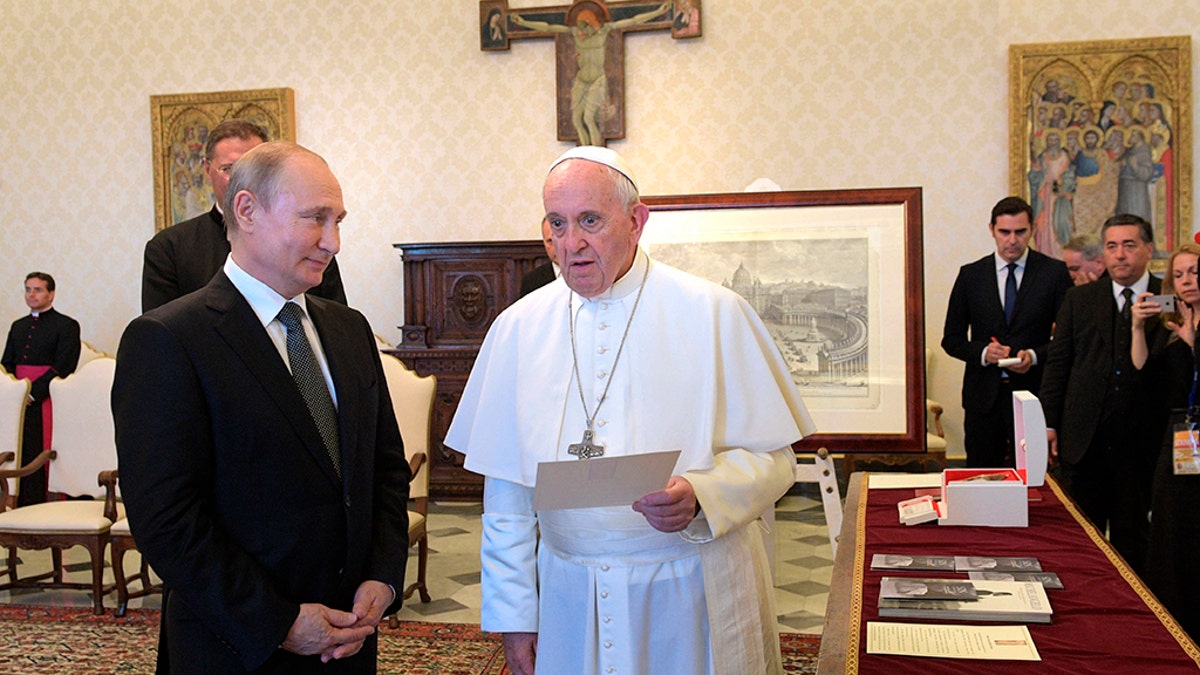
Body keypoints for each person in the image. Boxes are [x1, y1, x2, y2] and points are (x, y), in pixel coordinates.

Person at [445, 146, 814, 675]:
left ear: (637, 221)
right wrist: (515, 617)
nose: (571, 244)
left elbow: (775, 460)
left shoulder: (713, 313)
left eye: (590, 221)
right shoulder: (518, 328)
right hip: (569, 593)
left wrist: (703, 496)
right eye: (557, 223)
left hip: (689, 587)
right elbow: (505, 497)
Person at [113, 142, 411, 673]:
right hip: (234, 647)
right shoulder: (167, 338)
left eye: (338, 220)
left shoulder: (349, 329)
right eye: (315, 219)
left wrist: (383, 577)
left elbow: (384, 469)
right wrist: (277, 621)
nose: (334, 241)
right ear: (246, 210)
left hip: (349, 641)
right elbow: (167, 519)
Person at [1040, 214, 1161, 576]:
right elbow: (1058, 365)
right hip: (1085, 437)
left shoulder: (1167, 295)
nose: (1120, 255)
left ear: (1148, 249)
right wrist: (1047, 424)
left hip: (1142, 440)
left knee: (1133, 537)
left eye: (1129, 245)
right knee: (1081, 538)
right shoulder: (1079, 299)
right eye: (1112, 246)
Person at [141, 119, 347, 313]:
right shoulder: (170, 247)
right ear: (207, 169)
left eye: (256, 169)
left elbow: (332, 320)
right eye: (230, 169)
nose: (245, 179)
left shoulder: (312, 246)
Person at [942, 197, 1072, 468]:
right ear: (992, 229)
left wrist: (1034, 356)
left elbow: (1069, 338)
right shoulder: (971, 275)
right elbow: (951, 340)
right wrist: (982, 352)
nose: (1012, 240)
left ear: (1032, 230)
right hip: (983, 398)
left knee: (1034, 476)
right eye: (1004, 232)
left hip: (1034, 394)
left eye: (1020, 232)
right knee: (981, 475)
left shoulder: (1053, 272)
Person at [1131, 241, 1200, 641]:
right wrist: (1138, 327)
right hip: (1176, 440)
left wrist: (1194, 342)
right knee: (1169, 532)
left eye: (1194, 272)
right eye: (1178, 274)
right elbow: (1145, 375)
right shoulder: (1171, 320)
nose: (1186, 280)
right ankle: (1171, 626)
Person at [510, 3, 670, 146]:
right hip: (581, 81)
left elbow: (633, 20)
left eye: (583, 29)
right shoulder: (574, 33)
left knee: (588, 118)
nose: (579, 33)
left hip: (597, 81)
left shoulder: (604, 32)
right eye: (578, 29)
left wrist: (657, 12)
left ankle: (595, 156)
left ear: (591, 25)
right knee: (576, 120)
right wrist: (523, 22)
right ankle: (584, 155)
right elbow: (547, 27)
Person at [0, 272, 80, 506]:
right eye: (27, 289)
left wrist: (33, 392)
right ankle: (19, 500)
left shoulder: (66, 325)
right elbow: (7, 363)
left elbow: (63, 366)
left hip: (47, 398)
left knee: (43, 448)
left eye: (37, 290)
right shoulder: (18, 326)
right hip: (18, 401)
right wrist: (15, 392)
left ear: (51, 293)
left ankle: (47, 501)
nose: (31, 294)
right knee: (20, 448)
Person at [518, 219, 559, 297]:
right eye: (550, 241)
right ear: (544, 242)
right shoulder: (531, 281)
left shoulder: (586, 273)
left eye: (559, 240)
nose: (556, 247)